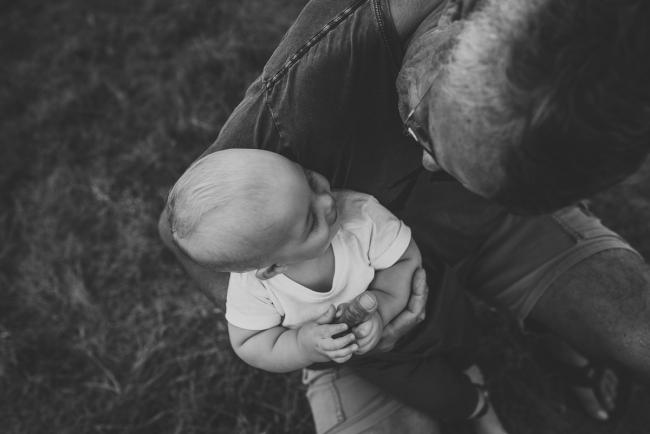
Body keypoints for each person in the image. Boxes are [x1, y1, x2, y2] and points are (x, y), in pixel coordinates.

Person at [158, 0, 650, 431]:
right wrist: (308, 331)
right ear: (459, 13)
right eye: (423, 130)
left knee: (640, 336)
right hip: (350, 281)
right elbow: (184, 234)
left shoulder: (617, 80)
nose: (430, 164)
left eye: (462, 169)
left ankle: (556, 327)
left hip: (490, 228)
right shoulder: (315, 86)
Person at [165, 148, 508, 433]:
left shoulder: (359, 217)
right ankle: (474, 405)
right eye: (311, 221)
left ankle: (469, 362)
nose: (327, 203)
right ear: (272, 268)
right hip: (378, 359)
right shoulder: (256, 290)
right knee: (437, 394)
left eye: (309, 180)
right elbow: (250, 344)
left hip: (434, 305)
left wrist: (385, 307)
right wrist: (303, 344)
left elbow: (405, 258)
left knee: (464, 339)